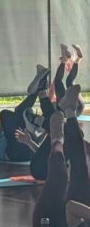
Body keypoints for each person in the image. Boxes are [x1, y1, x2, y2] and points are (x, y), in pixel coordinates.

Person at [33, 84, 90, 227]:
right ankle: (70, 110)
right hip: (76, 215)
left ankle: (56, 137)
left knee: (60, 175)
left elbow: (71, 208)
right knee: (81, 170)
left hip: (49, 224)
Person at [26, 45, 86, 180]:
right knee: (64, 83)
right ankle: (69, 60)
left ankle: (73, 59)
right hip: (71, 107)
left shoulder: (59, 112)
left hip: (74, 107)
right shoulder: (60, 109)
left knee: (69, 82)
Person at [0, 64, 50, 163]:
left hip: (26, 150)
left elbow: (35, 141)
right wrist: (46, 131)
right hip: (14, 153)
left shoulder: (8, 135)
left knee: (18, 113)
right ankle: (36, 90)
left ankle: (39, 88)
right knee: (5, 114)